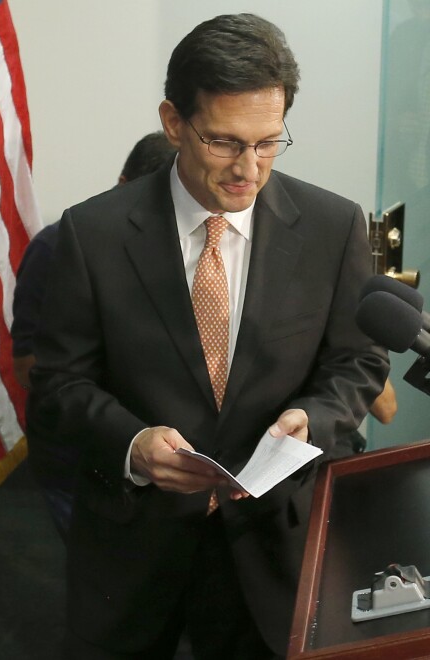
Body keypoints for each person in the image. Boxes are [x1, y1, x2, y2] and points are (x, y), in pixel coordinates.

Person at [27, 14, 389, 659]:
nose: (248, 170)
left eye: (270, 143)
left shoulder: (333, 227)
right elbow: (58, 386)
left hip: (274, 546)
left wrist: (315, 416)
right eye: (224, 142)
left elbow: (357, 360)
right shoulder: (93, 234)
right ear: (173, 122)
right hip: (132, 551)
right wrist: (133, 444)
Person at [12, 131, 177, 541]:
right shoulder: (57, 248)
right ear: (121, 185)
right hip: (76, 458)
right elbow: (26, 367)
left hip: (154, 458)